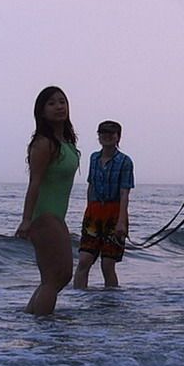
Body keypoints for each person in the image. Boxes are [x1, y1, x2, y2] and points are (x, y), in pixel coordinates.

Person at [15, 86, 79, 315]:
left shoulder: (66, 143)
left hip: (57, 216)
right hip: (44, 216)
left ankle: (32, 319)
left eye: (62, 101)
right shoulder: (44, 143)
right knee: (56, 277)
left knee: (55, 278)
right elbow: (35, 183)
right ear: (41, 112)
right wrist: (26, 220)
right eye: (51, 103)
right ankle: (44, 331)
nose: (59, 106)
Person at [73, 120, 134, 289]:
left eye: (111, 133)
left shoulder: (125, 161)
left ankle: (110, 303)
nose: (107, 136)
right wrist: (88, 211)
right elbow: (91, 186)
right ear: (98, 136)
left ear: (118, 137)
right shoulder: (94, 158)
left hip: (114, 213)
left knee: (107, 264)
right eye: (103, 133)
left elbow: (124, 193)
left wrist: (122, 221)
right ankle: (78, 299)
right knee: (84, 260)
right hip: (94, 211)